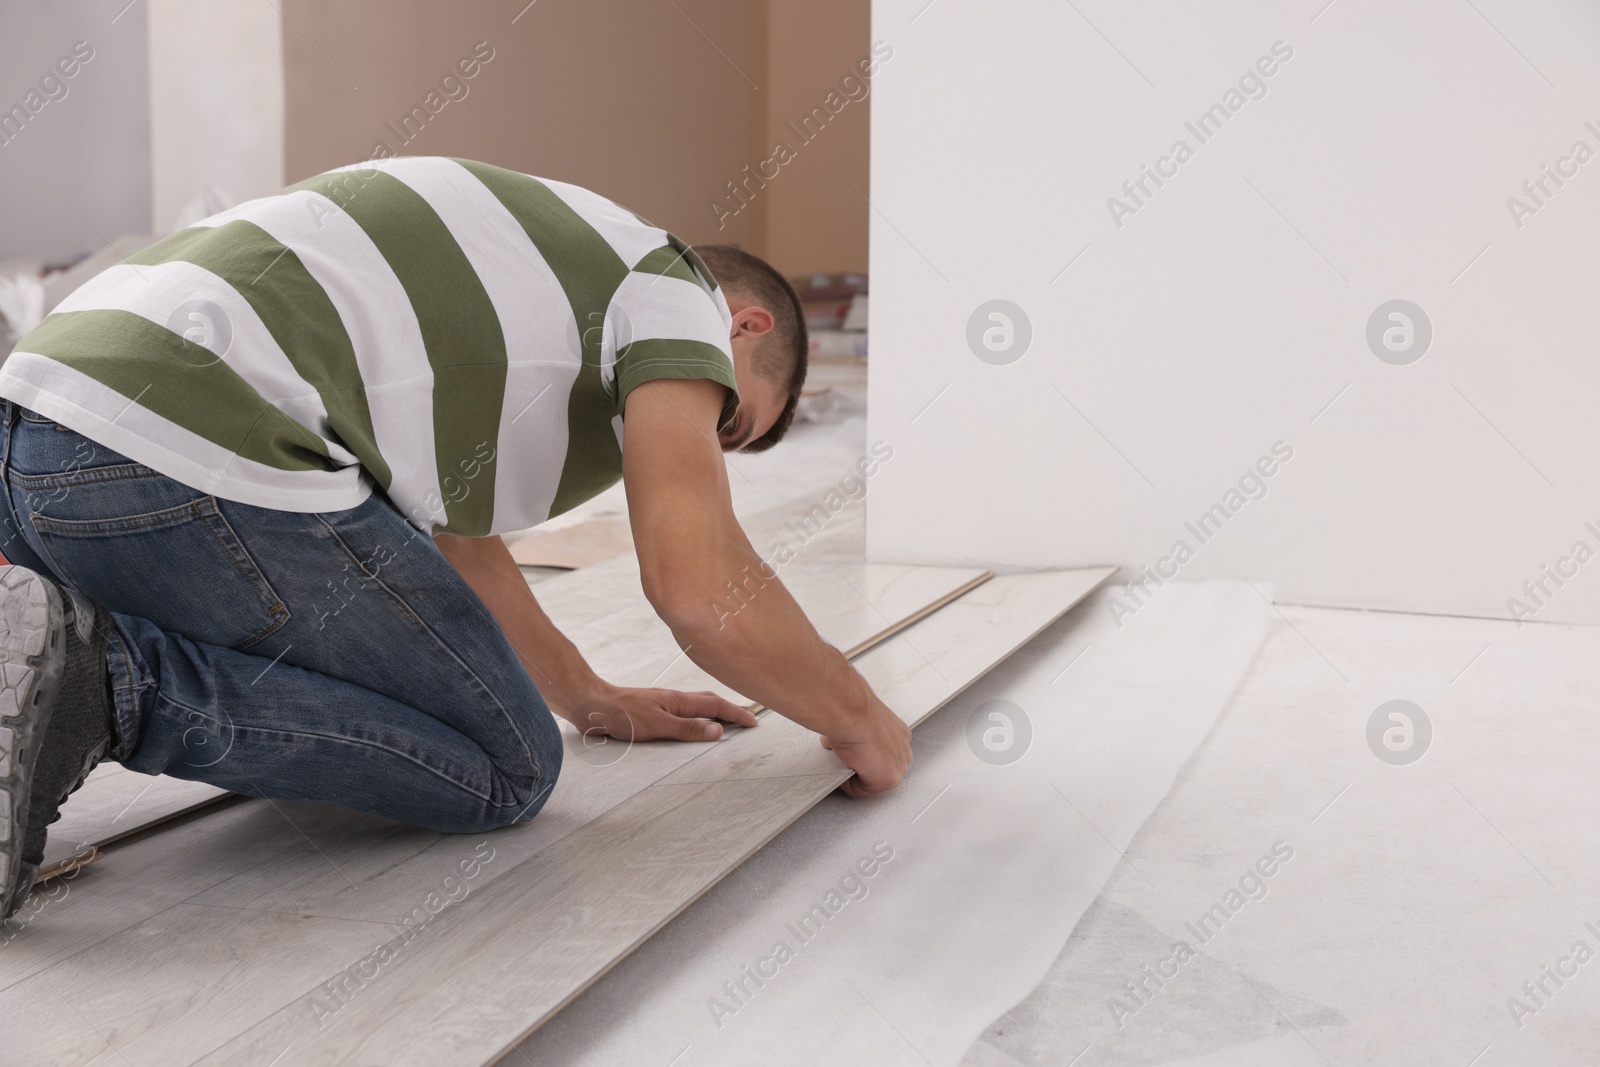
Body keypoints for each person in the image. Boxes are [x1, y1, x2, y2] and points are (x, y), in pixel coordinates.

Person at [0, 156, 911, 921]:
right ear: (741, 327)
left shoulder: (551, 266)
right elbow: (700, 589)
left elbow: (449, 540)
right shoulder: (676, 292)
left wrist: (582, 690)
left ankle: (40, 642)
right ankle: (109, 688)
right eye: (730, 419)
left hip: (33, 422)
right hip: (175, 452)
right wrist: (861, 717)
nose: (703, 432)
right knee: (504, 765)